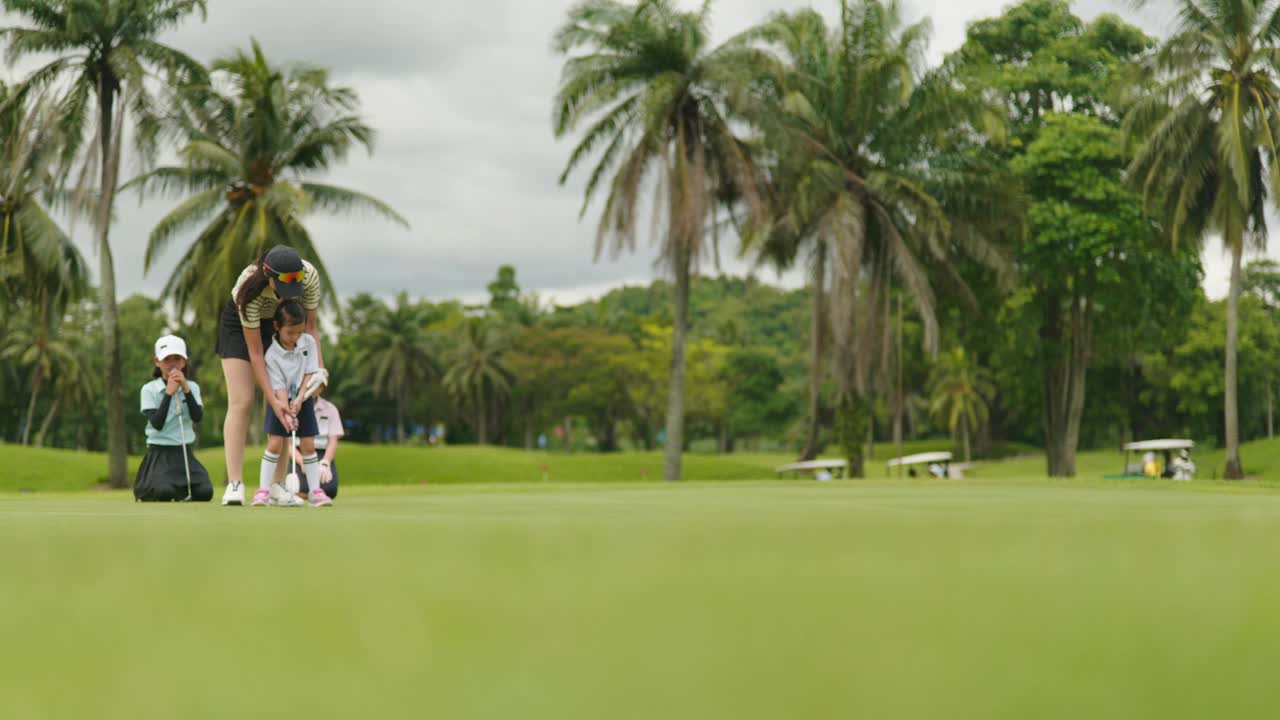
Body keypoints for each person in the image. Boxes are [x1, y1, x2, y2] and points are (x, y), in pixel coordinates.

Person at [215, 245, 324, 506]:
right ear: (268, 276)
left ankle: (276, 486)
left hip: (283, 325)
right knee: (242, 401)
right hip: (241, 329)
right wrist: (272, 398)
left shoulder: (308, 276)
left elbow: (310, 328)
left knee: (283, 401)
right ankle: (235, 484)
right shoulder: (248, 289)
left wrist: (318, 369)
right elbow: (254, 352)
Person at [253, 300, 331, 507]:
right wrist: (286, 408)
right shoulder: (272, 355)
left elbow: (309, 373)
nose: (296, 338)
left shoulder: (308, 343)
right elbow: (278, 387)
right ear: (277, 327)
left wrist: (299, 399)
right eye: (290, 333)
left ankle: (315, 491)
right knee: (275, 444)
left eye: (299, 332)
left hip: (302, 400)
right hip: (278, 401)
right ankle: (263, 491)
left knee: (308, 444)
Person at [134, 335, 213, 502]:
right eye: (166, 359)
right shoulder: (149, 389)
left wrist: (185, 388)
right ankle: (151, 488)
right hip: (160, 453)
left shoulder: (192, 387)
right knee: (164, 492)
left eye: (177, 358)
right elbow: (157, 424)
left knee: (205, 492)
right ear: (157, 362)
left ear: (184, 362)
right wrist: (169, 393)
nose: (172, 363)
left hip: (183, 452)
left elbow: (197, 417)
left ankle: (180, 490)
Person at [277, 382, 344, 500]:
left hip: (322, 454)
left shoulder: (330, 409)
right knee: (300, 487)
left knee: (330, 489)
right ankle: (298, 490)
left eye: (315, 386)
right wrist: (302, 461)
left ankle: (309, 493)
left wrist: (325, 462)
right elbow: (288, 444)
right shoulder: (292, 407)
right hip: (299, 454)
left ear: (321, 388)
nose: (310, 389)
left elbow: (333, 441)